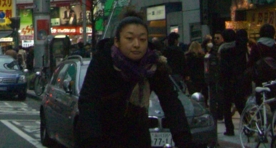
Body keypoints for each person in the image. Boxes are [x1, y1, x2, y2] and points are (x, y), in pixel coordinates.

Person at [75, 9, 193, 148]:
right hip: (103, 137)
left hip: (138, 137)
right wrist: (92, 140)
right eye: (129, 38)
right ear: (117, 41)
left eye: (142, 39)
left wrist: (183, 139)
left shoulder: (153, 65)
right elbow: (89, 101)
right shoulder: (103, 61)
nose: (136, 44)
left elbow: (171, 102)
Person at [219, 29, 247, 136]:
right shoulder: (240, 48)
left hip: (227, 80)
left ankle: (229, 129)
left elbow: (223, 68)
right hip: (238, 79)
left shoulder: (223, 50)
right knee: (240, 104)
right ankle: (248, 125)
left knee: (227, 106)